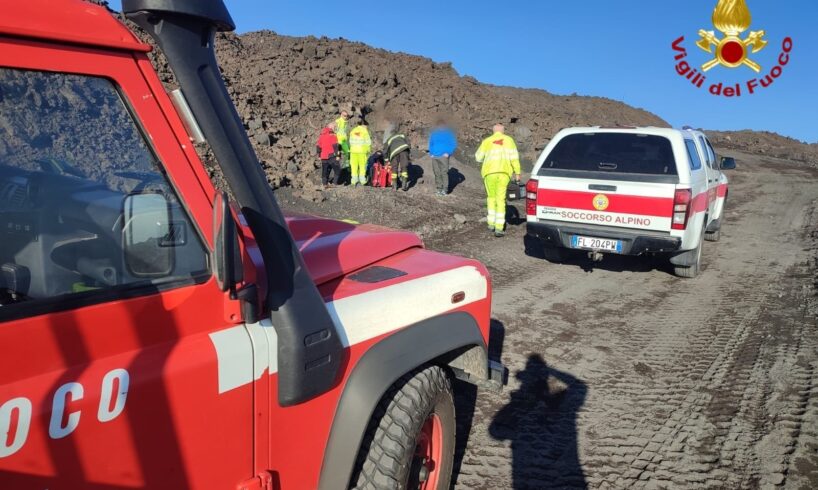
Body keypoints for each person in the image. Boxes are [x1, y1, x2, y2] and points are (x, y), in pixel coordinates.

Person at [475, 123, 521, 237]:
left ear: (493, 131)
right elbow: (514, 158)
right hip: (504, 174)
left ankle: (491, 224)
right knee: (500, 199)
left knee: (491, 198)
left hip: (489, 173)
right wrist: (517, 173)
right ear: (503, 131)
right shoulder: (509, 140)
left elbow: (478, 157)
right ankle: (499, 228)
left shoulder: (487, 141)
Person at [428, 120, 457, 196]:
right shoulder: (434, 134)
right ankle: (438, 189)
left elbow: (453, 144)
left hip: (443, 157)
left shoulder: (448, 134)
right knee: (437, 173)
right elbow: (431, 144)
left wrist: (448, 152)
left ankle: (445, 190)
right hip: (435, 156)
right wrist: (431, 153)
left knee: (444, 173)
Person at [348, 117, 372, 186]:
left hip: (353, 151)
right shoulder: (364, 131)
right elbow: (368, 142)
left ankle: (353, 180)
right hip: (362, 151)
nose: (367, 127)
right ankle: (362, 180)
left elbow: (350, 141)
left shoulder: (353, 131)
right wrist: (368, 150)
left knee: (354, 165)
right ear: (363, 125)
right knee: (362, 166)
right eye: (366, 126)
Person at [334, 110, 351, 175]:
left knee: (348, 153)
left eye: (347, 116)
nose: (345, 117)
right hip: (338, 141)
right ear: (341, 115)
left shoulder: (346, 122)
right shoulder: (338, 121)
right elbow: (334, 130)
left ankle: (347, 166)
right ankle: (336, 170)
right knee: (337, 156)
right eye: (344, 115)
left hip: (344, 141)